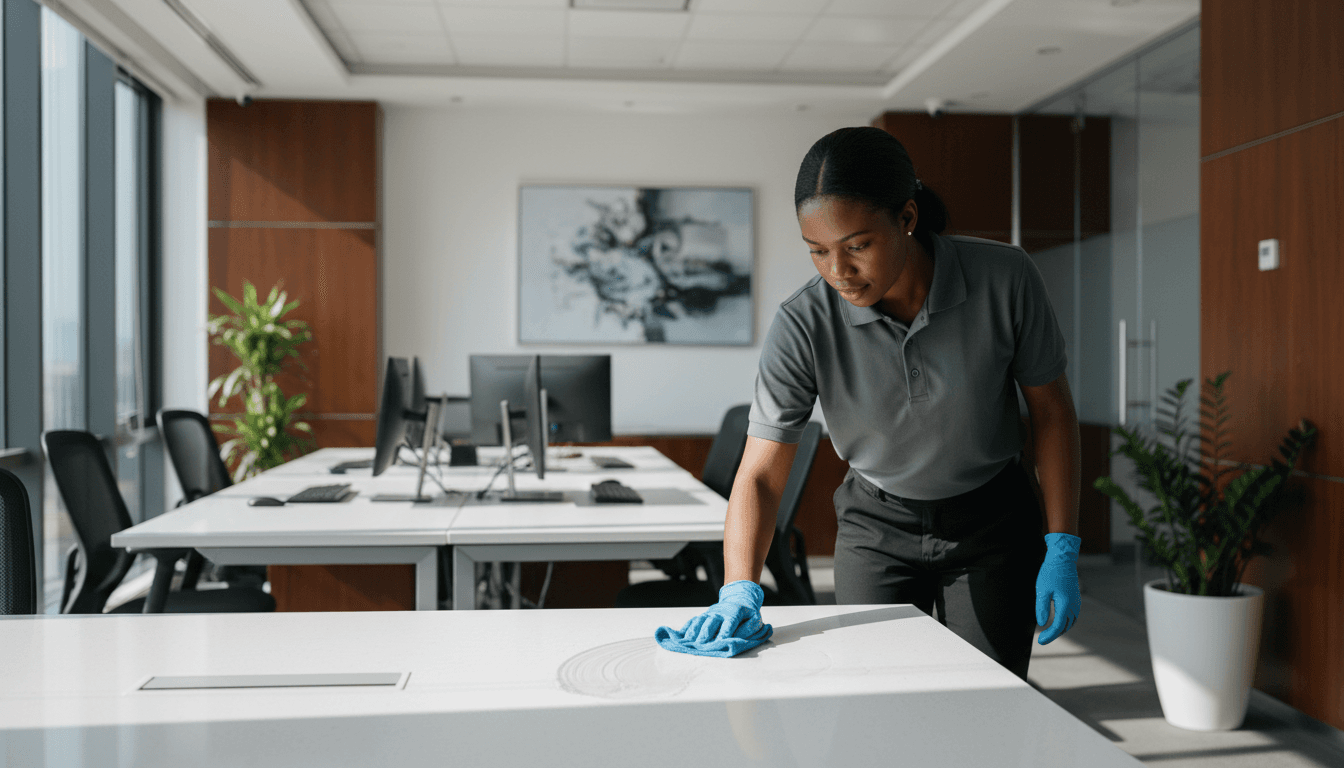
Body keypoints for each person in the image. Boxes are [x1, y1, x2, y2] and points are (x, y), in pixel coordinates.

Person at [655, 126, 1082, 678]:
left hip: (993, 525)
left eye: (857, 246)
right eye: (818, 252)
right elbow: (760, 472)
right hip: (876, 529)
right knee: (874, 704)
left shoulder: (1005, 278)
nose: (839, 272)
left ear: (907, 217)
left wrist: (1063, 543)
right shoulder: (803, 323)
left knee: (986, 705)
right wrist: (739, 587)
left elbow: (1052, 413)